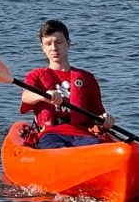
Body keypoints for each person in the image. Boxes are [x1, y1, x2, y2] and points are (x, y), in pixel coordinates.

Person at [19, 20, 115, 149]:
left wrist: (105, 120)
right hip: (50, 134)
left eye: (59, 42)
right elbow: (26, 97)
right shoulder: (36, 75)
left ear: (68, 44)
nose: (54, 48)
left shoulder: (87, 78)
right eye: (48, 44)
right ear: (43, 48)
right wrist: (43, 96)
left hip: (82, 134)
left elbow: (97, 115)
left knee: (97, 148)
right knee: (57, 148)